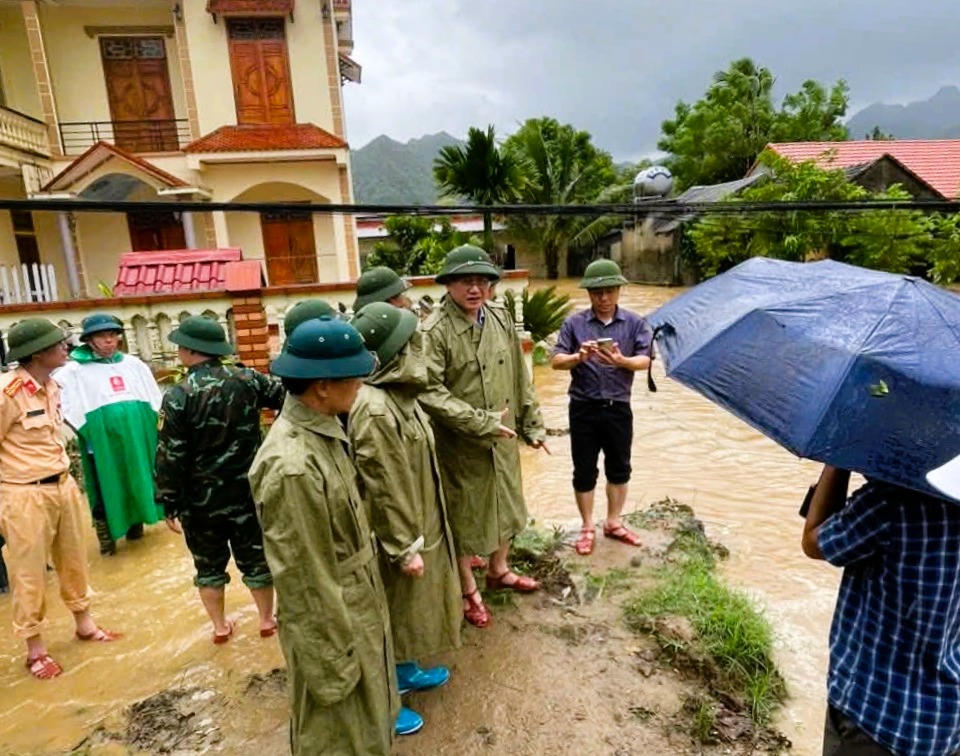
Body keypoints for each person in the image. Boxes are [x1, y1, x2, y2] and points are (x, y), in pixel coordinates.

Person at [249, 316, 412, 755]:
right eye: (354, 377)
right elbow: (304, 581)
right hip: (334, 623)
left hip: (356, 604)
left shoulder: (324, 432)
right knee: (338, 736)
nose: (361, 384)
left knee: (368, 726)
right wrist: (332, 665)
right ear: (322, 386)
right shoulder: (294, 466)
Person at [420, 244, 548, 628]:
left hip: (503, 437)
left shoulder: (499, 317)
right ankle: (467, 591)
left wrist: (532, 423)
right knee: (463, 516)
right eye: (465, 281)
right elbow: (427, 391)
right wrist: (478, 421)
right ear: (449, 285)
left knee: (507, 505)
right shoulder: (434, 331)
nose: (474, 289)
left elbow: (519, 375)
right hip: (460, 444)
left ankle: (498, 569)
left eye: (482, 281)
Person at [349, 303, 461, 720]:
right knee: (390, 610)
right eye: (413, 341)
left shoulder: (402, 397)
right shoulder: (375, 409)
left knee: (410, 609)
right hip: (395, 535)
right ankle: (385, 700)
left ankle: (404, 667)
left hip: (418, 519)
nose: (421, 345)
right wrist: (402, 547)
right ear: (397, 351)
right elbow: (382, 486)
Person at [802, 465, 960, 756]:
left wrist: (837, 463)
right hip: (944, 724)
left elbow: (814, 541)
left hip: (874, 717)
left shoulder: (892, 502)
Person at [0, 318, 120, 679]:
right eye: (59, 344)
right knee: (29, 573)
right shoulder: (7, 393)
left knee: (73, 560)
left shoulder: (51, 386)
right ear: (38, 352)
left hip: (62, 485)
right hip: (23, 493)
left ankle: (84, 624)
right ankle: (35, 650)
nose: (66, 347)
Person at [155, 315, 283, 643]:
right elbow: (287, 399)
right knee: (255, 558)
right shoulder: (248, 379)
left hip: (200, 502)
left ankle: (220, 628)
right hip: (247, 492)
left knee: (208, 567)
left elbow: (171, 454)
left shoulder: (177, 395)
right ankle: (267, 620)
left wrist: (168, 499)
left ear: (189, 350)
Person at [550, 258, 652, 556]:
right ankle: (586, 525)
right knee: (584, 469)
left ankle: (613, 521)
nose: (603, 298)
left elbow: (646, 360)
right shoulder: (574, 324)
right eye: (597, 293)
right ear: (589, 294)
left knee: (619, 467)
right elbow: (556, 361)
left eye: (609, 291)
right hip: (583, 406)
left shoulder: (635, 323)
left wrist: (622, 361)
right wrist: (577, 358)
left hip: (618, 406)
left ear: (619, 290)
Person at [55, 313, 164, 555]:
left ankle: (136, 527)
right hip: (101, 441)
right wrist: (87, 428)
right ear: (89, 340)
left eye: (113, 335)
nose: (109, 341)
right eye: (102, 336)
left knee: (137, 477)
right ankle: (107, 540)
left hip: (136, 437)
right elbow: (61, 401)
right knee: (106, 484)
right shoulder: (73, 370)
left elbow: (154, 400)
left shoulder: (133, 364)